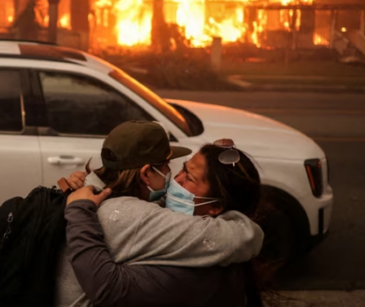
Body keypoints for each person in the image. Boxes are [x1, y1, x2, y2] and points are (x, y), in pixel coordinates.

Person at [56, 121, 264, 307]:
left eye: (188, 176)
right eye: (168, 166)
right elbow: (242, 236)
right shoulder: (137, 217)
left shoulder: (91, 195)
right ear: (147, 173)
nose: (175, 179)